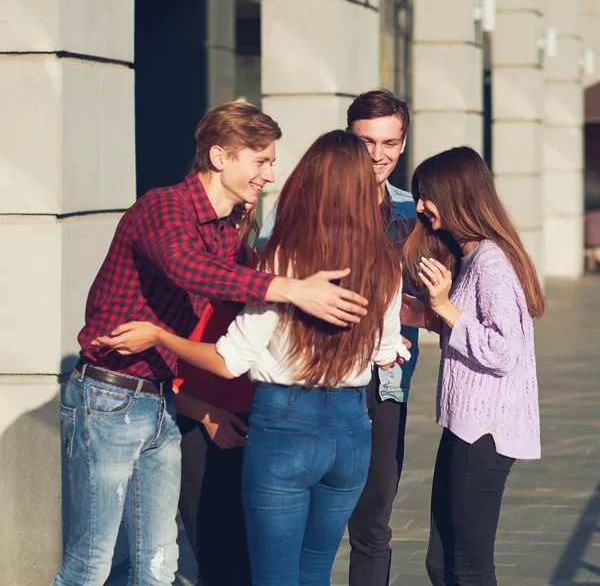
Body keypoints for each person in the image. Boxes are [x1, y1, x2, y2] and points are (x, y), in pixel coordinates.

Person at [52, 103, 370, 586]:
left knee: (159, 563)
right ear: (220, 157)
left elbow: (239, 284)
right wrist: (290, 287)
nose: (270, 173)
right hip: (108, 398)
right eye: (260, 160)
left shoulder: (224, 228)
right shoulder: (163, 207)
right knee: (91, 563)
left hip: (161, 400)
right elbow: (188, 268)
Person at [259, 89, 419, 586]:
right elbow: (267, 281)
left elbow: (424, 295)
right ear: (348, 139)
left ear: (404, 141)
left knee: (373, 524)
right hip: (309, 383)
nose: (378, 155)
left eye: (390, 142)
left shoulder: (411, 215)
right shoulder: (300, 205)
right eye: (367, 142)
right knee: (307, 534)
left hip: (384, 383)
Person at [401, 146, 544, 585]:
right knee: (442, 562)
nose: (421, 206)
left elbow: (503, 351)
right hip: (467, 427)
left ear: (457, 195)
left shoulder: (492, 262)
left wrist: (444, 307)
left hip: (485, 431)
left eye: (428, 195)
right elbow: (467, 330)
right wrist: (420, 312)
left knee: (467, 564)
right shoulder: (473, 257)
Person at [174, 205, 259, 586]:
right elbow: (154, 368)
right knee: (214, 557)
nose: (236, 222)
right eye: (229, 214)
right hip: (194, 422)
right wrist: (207, 416)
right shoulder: (181, 273)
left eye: (244, 212)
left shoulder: (260, 266)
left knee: (250, 556)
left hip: (256, 422)